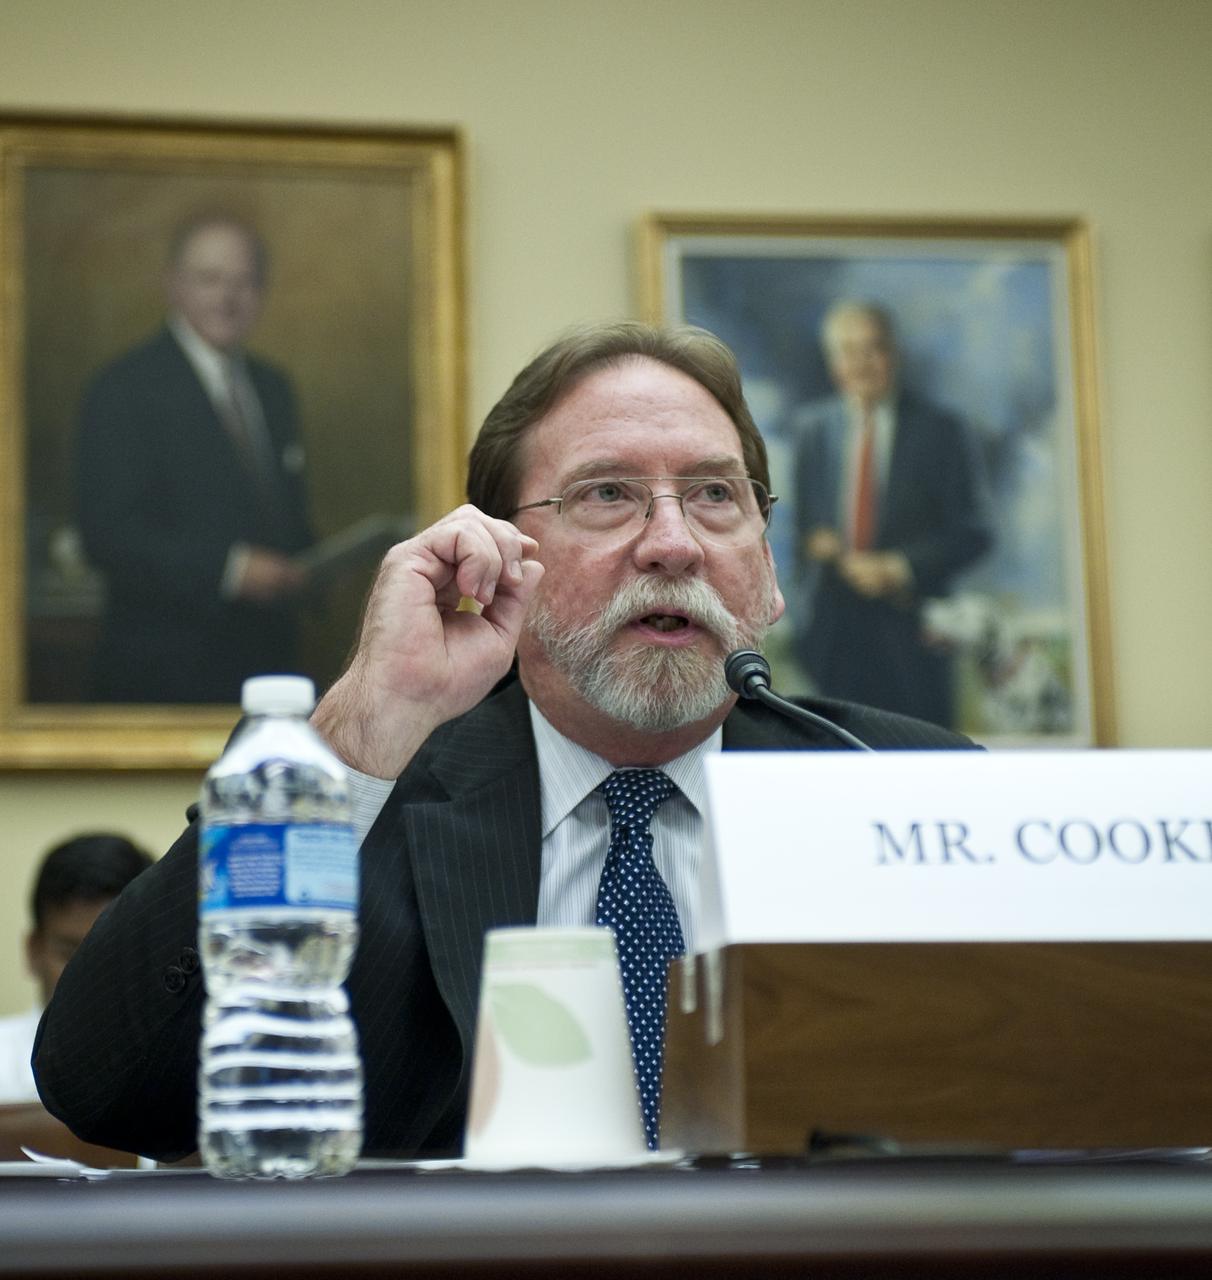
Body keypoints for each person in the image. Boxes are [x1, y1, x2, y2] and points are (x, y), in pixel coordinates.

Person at [36, 321, 974, 1162]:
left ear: (766, 569)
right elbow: (108, 1087)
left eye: (715, 496)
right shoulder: (376, 791)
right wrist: (367, 717)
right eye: (609, 494)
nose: (674, 543)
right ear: (499, 558)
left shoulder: (904, 790)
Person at [75, 211, 313, 704]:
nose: (227, 298)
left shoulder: (274, 388)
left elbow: (283, 514)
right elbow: (107, 535)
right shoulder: (123, 388)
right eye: (209, 280)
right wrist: (229, 570)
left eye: (244, 282)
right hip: (162, 674)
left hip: (268, 674)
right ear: (174, 285)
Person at [789, 301, 993, 728]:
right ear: (833, 362)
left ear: (893, 355)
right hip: (833, 637)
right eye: (848, 351)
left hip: (913, 633)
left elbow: (975, 532)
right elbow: (805, 528)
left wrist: (899, 567)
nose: (860, 364)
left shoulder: (942, 431)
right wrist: (818, 543)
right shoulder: (812, 430)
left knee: (919, 771)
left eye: (872, 349)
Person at [0, 834, 153, 1103]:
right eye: (69, 954)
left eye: (109, 955)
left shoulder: (193, 1068)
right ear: (33, 951)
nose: (88, 979)